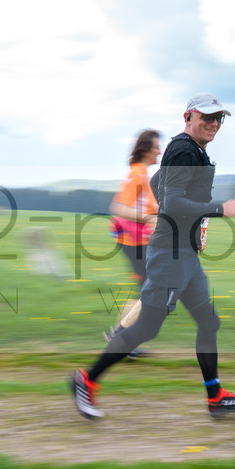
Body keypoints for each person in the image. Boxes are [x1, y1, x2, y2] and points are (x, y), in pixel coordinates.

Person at [71, 93, 235, 419]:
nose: (214, 123)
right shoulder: (184, 149)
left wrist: (198, 224)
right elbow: (173, 203)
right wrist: (219, 210)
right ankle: (86, 380)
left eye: (219, 118)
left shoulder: (193, 151)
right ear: (188, 117)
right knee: (146, 327)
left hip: (184, 256)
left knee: (208, 321)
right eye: (207, 117)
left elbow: (160, 189)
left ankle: (215, 397)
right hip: (170, 257)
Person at [105, 129, 161, 357]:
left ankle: (121, 339)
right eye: (156, 146)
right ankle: (120, 338)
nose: (160, 150)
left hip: (136, 239)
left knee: (146, 290)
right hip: (131, 239)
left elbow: (147, 207)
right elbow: (118, 207)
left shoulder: (142, 174)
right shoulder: (137, 174)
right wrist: (150, 218)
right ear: (145, 150)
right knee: (151, 290)